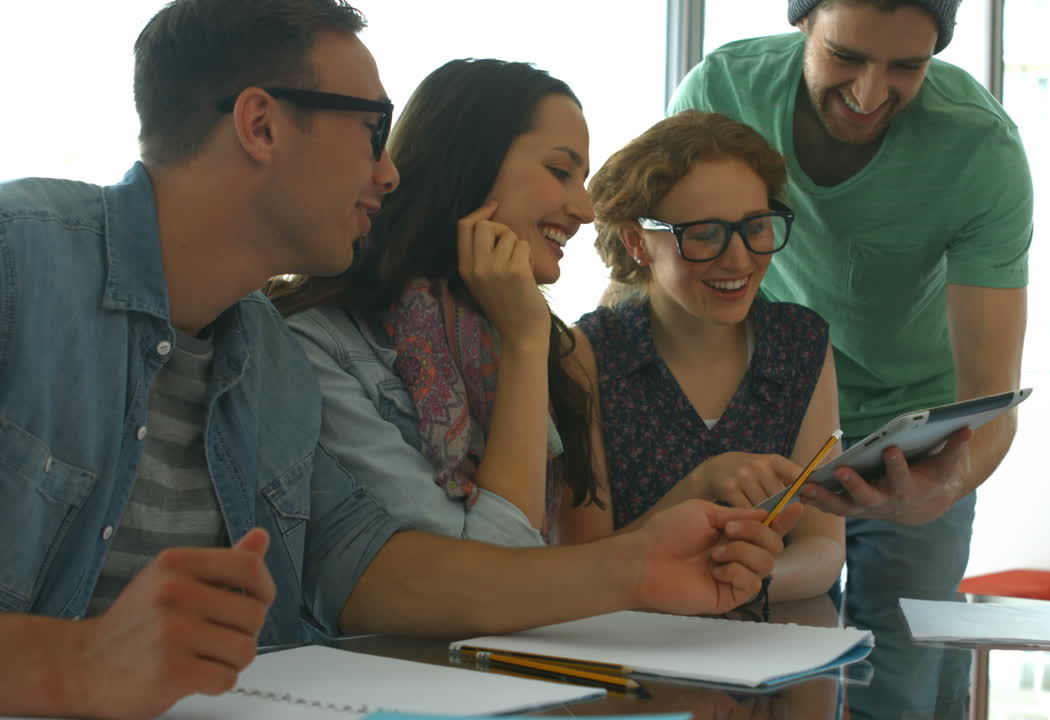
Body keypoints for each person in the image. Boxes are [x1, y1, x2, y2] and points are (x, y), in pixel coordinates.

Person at [0, 2, 799, 717]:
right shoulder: (19, 259)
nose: (389, 171)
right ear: (261, 125)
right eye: (370, 132)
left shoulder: (266, 357)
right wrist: (74, 662)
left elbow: (373, 574)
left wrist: (639, 566)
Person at [271, 60, 805, 551]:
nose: (585, 209)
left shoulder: (541, 342)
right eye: (559, 172)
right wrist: (527, 341)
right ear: (469, 164)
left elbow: (550, 571)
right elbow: (498, 570)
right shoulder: (323, 344)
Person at [667, 0, 1032, 715]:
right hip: (766, 414)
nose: (870, 95)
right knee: (746, 658)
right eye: (847, 56)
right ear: (802, 22)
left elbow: (993, 393)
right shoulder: (725, 92)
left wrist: (946, 484)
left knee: (899, 682)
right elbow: (659, 258)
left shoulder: (979, 148)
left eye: (907, 67)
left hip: (915, 433)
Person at [563, 110, 846, 604]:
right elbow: (581, 559)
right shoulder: (587, 353)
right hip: (628, 650)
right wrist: (699, 483)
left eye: (755, 227)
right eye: (704, 234)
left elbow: (823, 544)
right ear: (636, 241)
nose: (738, 259)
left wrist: (751, 581)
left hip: (770, 643)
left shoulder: (802, 343)